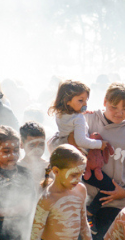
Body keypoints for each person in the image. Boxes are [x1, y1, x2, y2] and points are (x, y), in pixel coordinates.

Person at [85, 82, 125, 240]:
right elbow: (57, 142)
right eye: (114, 107)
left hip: (115, 203)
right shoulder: (87, 119)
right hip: (83, 200)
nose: (120, 113)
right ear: (105, 101)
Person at [47, 80, 115, 224]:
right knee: (109, 186)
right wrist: (99, 144)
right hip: (81, 161)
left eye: (86, 100)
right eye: (80, 100)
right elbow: (81, 141)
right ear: (67, 101)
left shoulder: (60, 114)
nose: (85, 103)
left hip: (67, 159)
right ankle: (89, 213)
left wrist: (82, 112)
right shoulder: (78, 118)